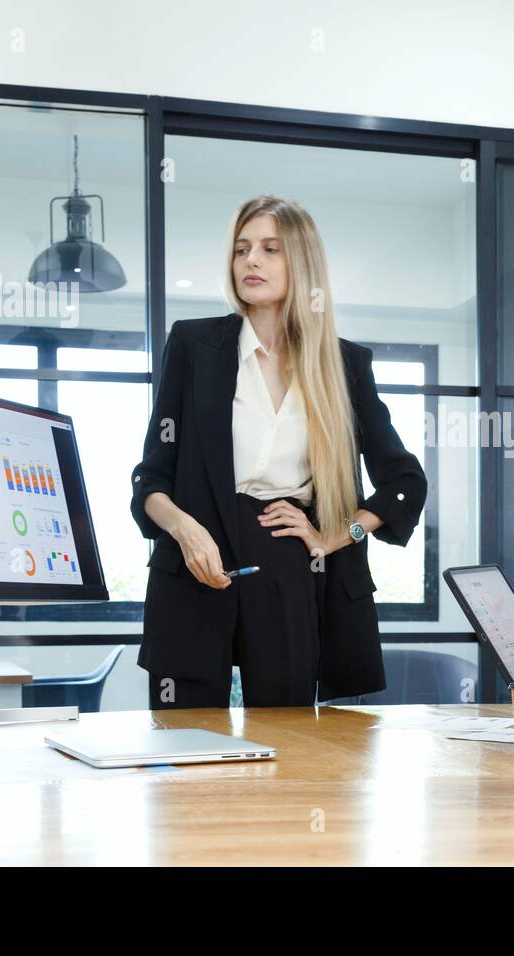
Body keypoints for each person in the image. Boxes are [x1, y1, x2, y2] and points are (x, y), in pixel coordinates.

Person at [129, 195, 427, 708]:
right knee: (184, 753)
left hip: (289, 563)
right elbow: (151, 478)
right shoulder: (192, 344)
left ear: (302, 263)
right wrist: (183, 529)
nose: (251, 261)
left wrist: (338, 536)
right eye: (242, 249)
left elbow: (405, 483)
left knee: (288, 748)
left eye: (270, 249)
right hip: (196, 559)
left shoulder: (344, 365)